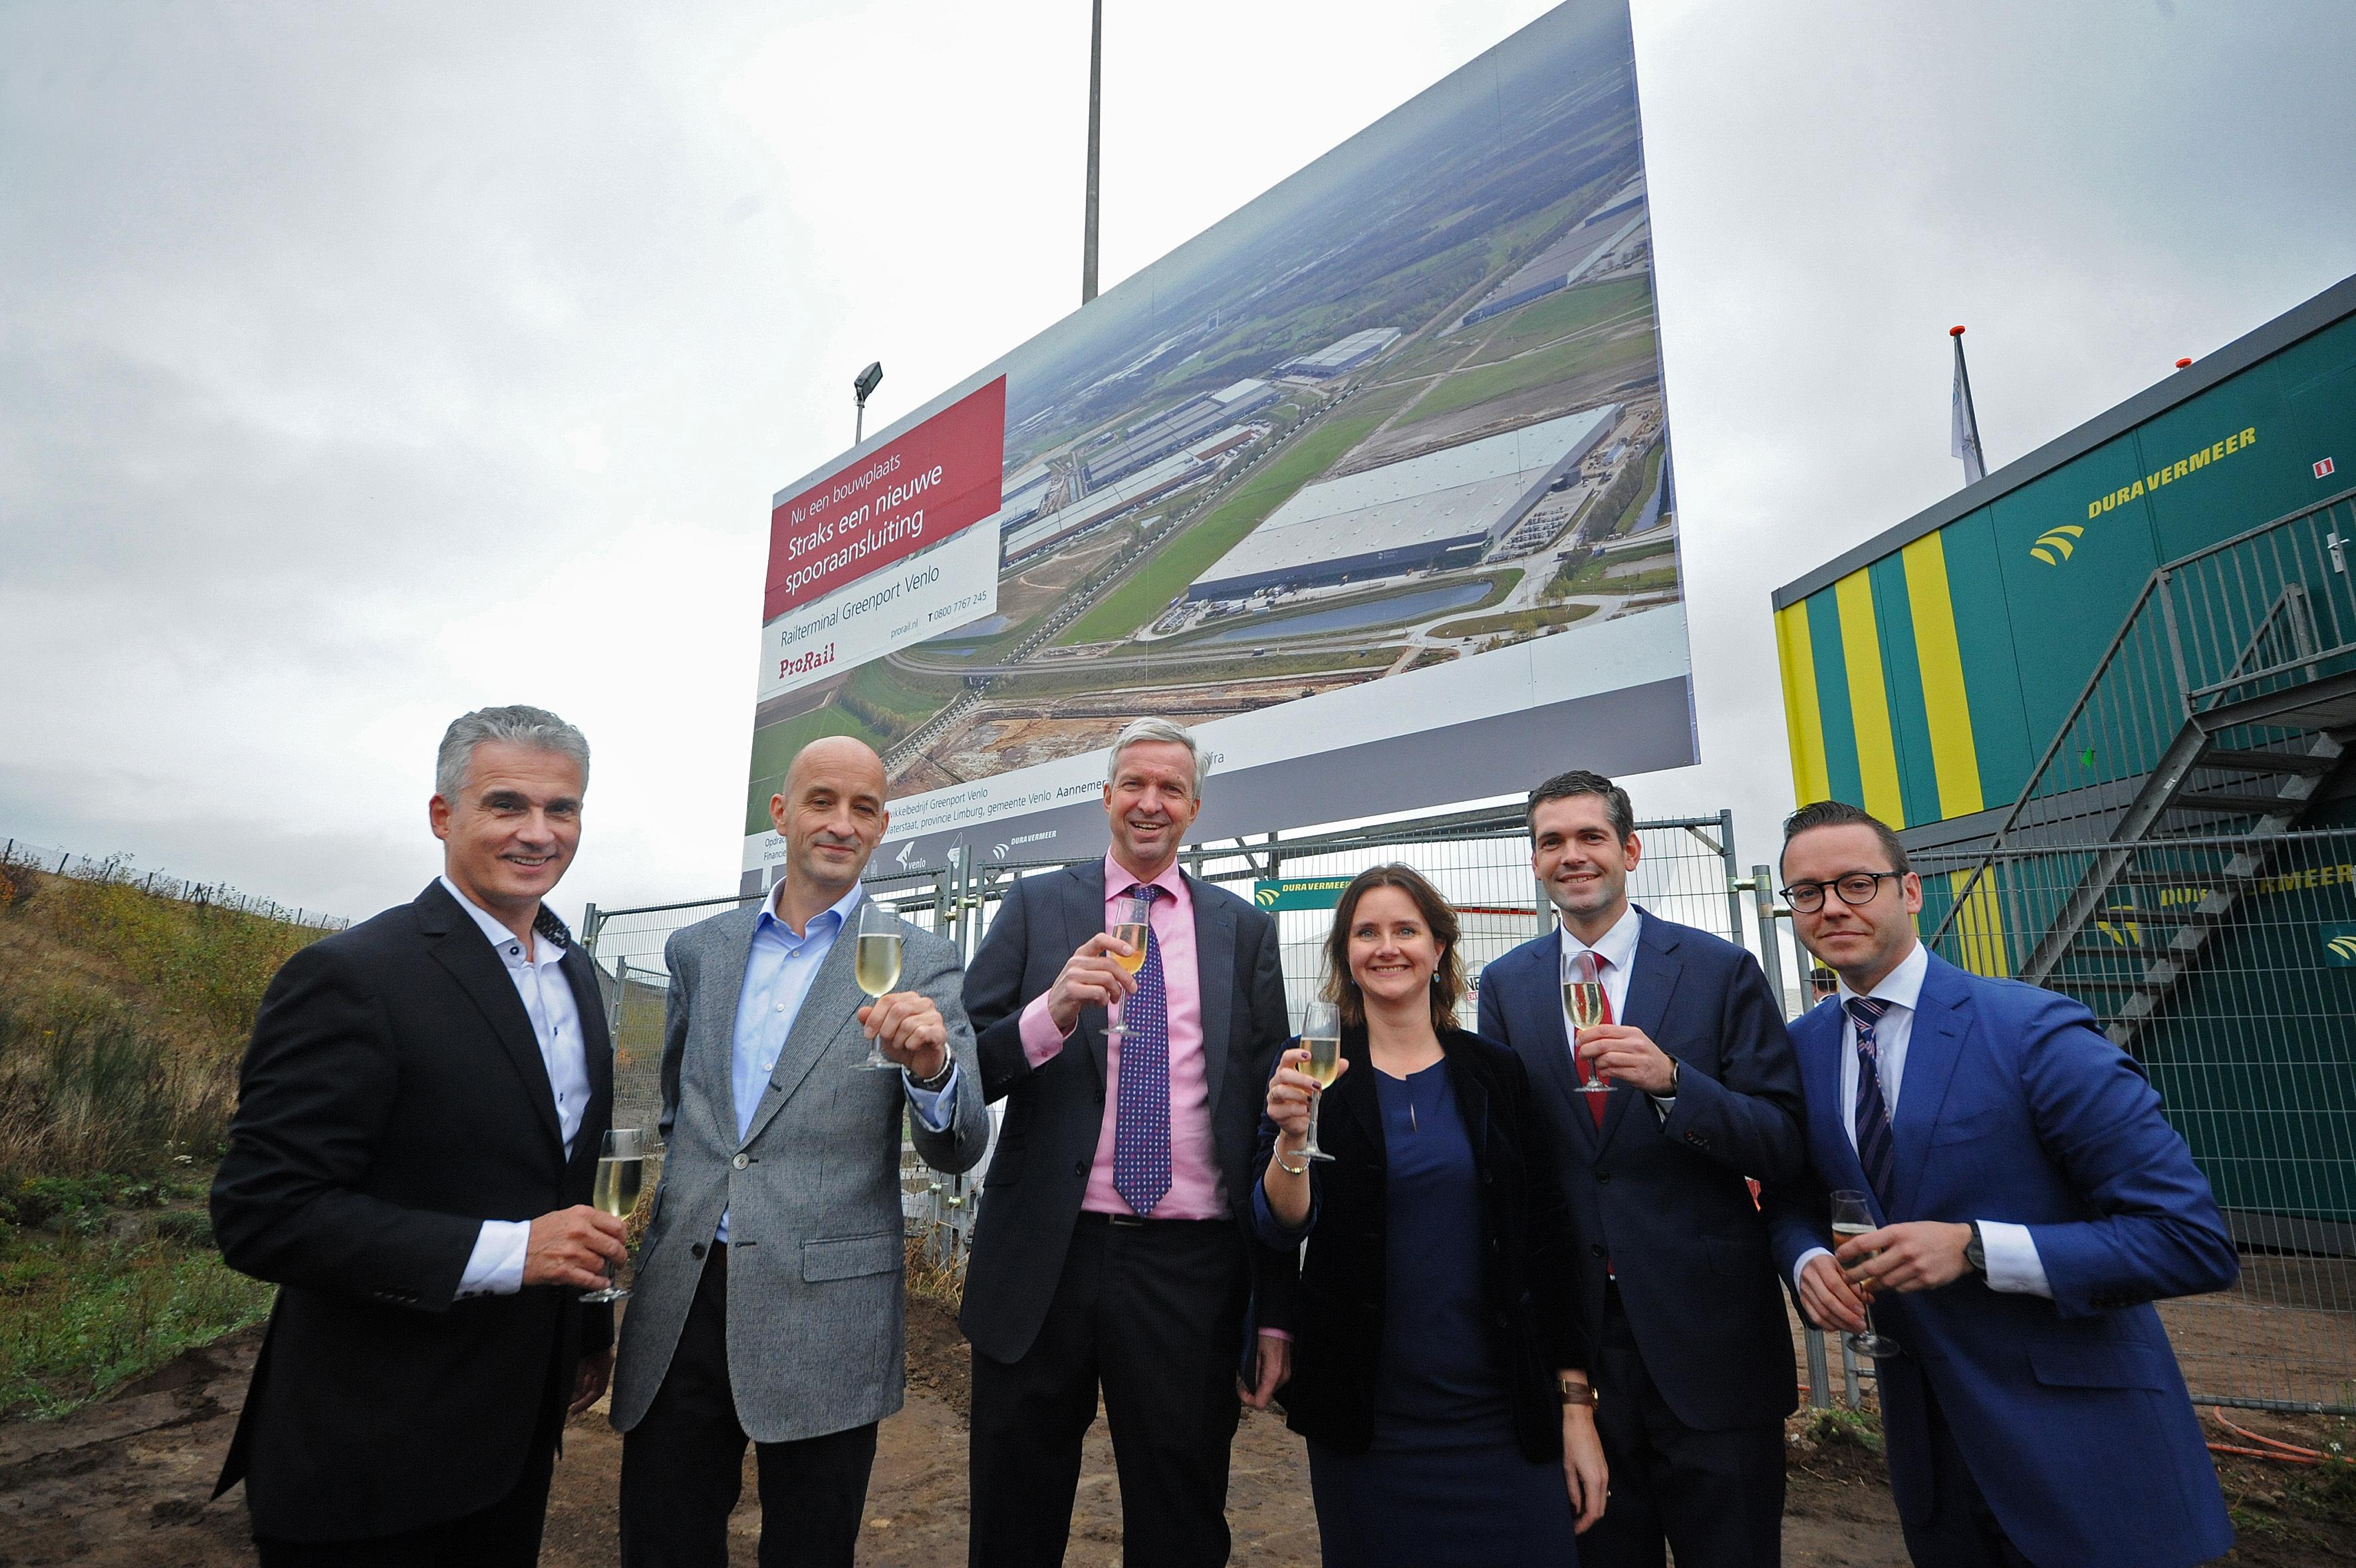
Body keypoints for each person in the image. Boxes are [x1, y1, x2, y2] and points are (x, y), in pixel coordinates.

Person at [1767, 799, 2237, 1568]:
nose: (1832, 908)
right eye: (1808, 893)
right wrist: (1805, 1261)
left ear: (1910, 891)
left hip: (2085, 1459)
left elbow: (2189, 1240)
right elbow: (1790, 1198)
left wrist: (1977, 1249)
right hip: (1933, 1467)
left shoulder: (2033, 1031)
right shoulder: (1802, 1049)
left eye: (1857, 883)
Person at [210, 705, 619, 1566]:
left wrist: (583, 1333)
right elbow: (264, 1213)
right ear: (444, 815)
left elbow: (558, 1175)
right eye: (506, 803)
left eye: (562, 808)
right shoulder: (353, 976)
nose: (537, 832)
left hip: (512, 1434)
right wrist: (513, 1252)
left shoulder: (576, 971)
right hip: (373, 1452)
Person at [610, 735, 989, 1567]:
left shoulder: (922, 960)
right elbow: (685, 1112)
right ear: (781, 814)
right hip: (685, 1300)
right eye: (822, 801)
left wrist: (932, 1069)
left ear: (883, 826)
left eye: (862, 809)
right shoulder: (699, 952)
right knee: (663, 1541)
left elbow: (960, 1146)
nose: (841, 825)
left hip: (828, 1311)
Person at [960, 717, 1295, 1568]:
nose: (1151, 803)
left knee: (1180, 1517)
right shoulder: (1038, 906)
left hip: (1191, 1268)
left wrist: (1276, 1307)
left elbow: (1271, 1120)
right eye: (1135, 785)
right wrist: (1053, 1011)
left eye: (1171, 789)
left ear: (1193, 809)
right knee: (1013, 1511)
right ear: (1107, 797)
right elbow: (964, 1065)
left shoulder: (1242, 932)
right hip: (1048, 1253)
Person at [1476, 768, 1807, 1567]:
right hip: (1580, 1347)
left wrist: (1674, 1085)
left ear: (1629, 850)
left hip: (1709, 1340)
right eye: (1551, 841)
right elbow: (1510, 1166)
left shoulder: (1719, 969)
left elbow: (1784, 1142)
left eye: (1591, 837)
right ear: (1534, 862)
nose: (1572, 856)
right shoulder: (1508, 985)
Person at [1255, 864, 1608, 1567]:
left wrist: (1576, 1406)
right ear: (1345, 955)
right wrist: (1291, 1141)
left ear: (1439, 949)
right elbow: (1282, 1224)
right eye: (1366, 933)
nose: (1387, 948)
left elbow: (1548, 1239)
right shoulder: (1309, 1071)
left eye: (1406, 930)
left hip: (1502, 1413)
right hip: (1370, 1421)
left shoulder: (1496, 1073)